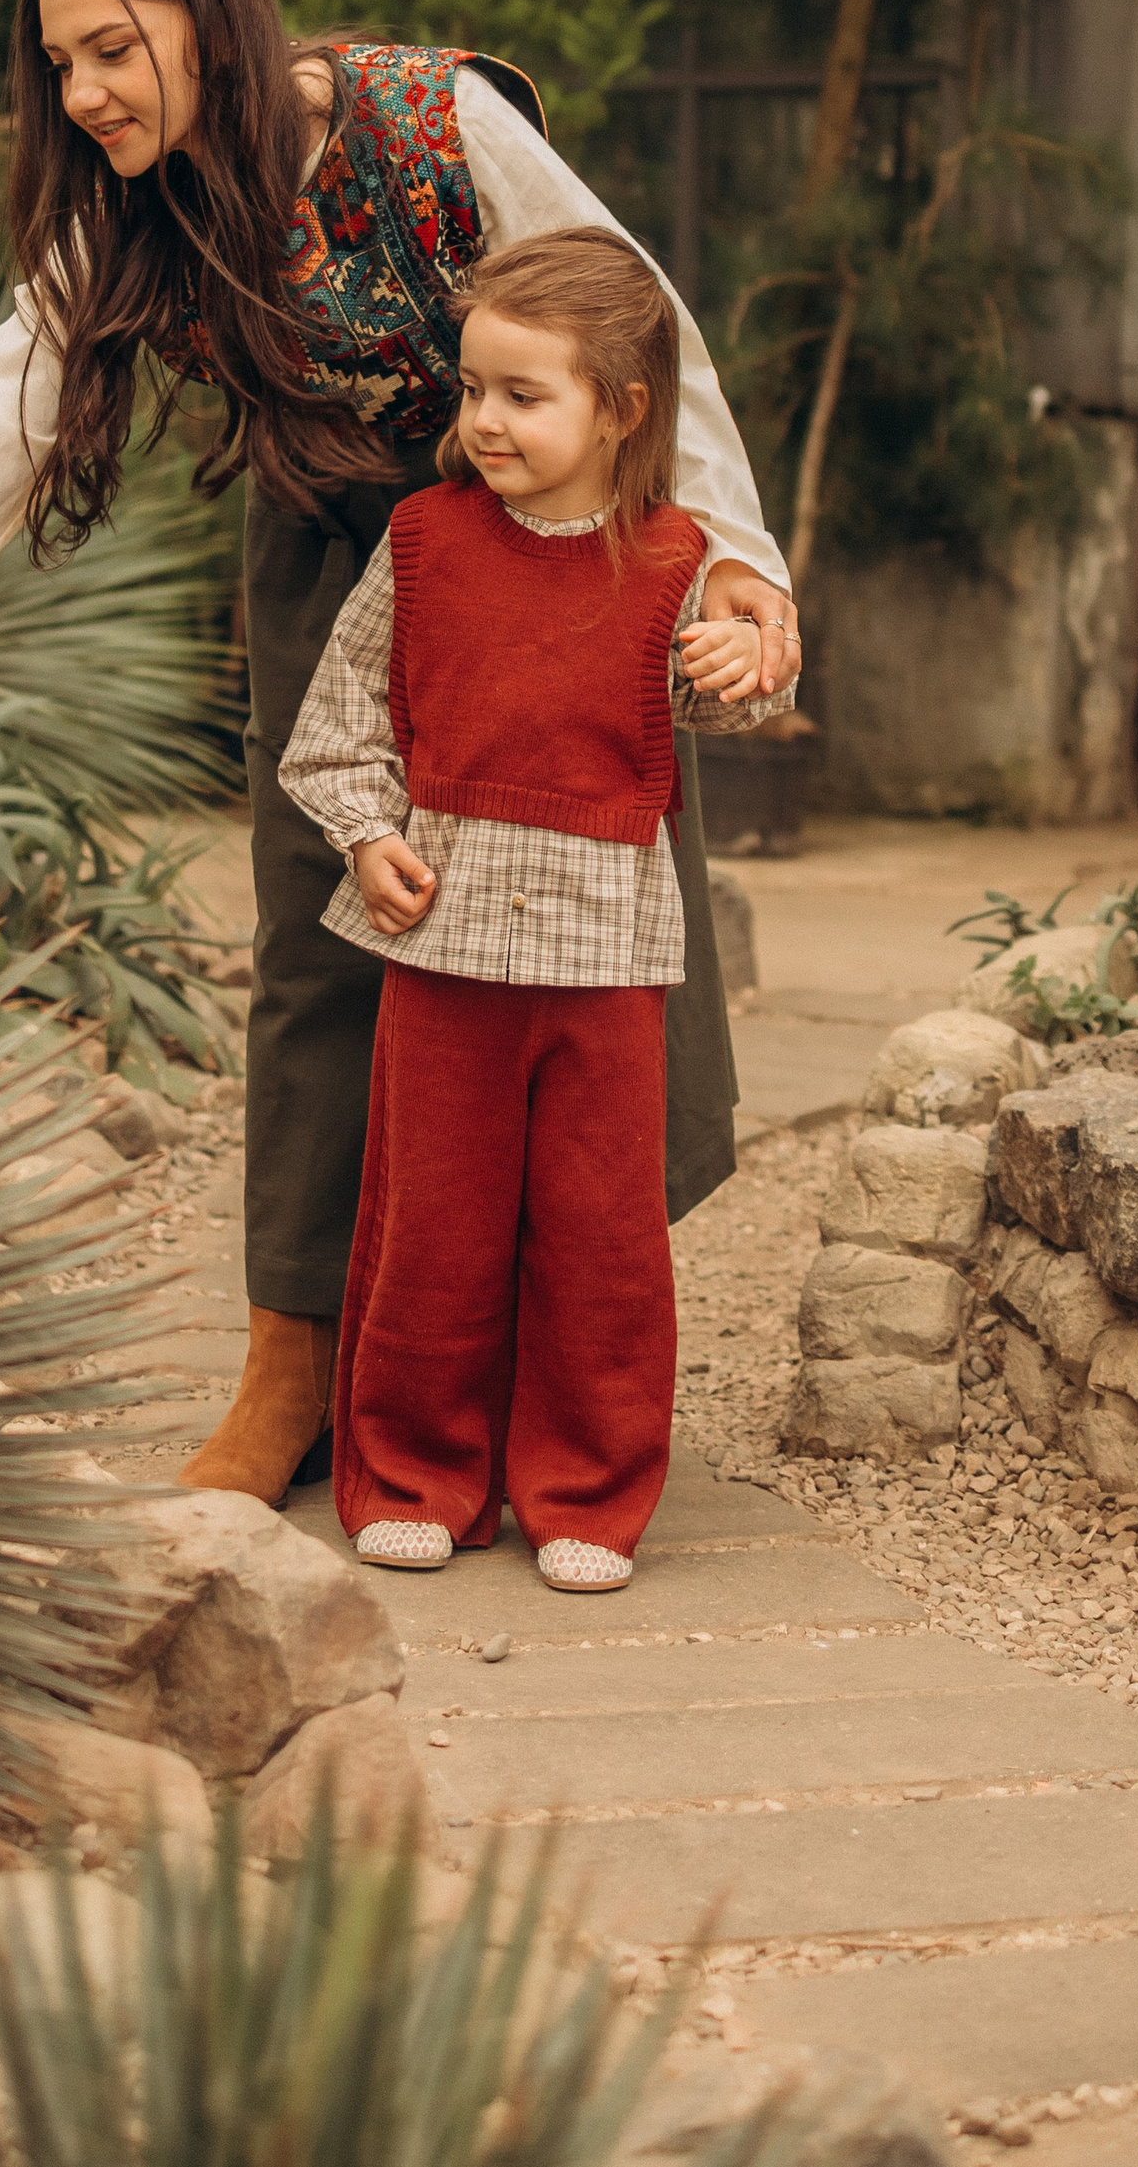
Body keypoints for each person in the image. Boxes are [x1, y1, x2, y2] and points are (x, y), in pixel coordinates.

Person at [0, 0, 800, 1507]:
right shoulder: (131, 210)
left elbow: (630, 307)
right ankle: (294, 1365)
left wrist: (733, 554)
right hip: (329, 561)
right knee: (324, 948)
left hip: (543, 539)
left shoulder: (427, 117)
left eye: (111, 48)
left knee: (589, 925)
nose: (85, 93)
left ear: (208, 15)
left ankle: (550, 1362)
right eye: (63, 66)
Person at [281, 228, 794, 1593]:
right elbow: (333, 733)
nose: (485, 420)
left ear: (622, 410)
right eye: (474, 389)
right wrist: (370, 835)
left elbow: (738, 691)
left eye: (524, 393)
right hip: (440, 949)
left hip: (605, 964)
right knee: (429, 1222)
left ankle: (584, 1485)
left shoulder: (680, 561)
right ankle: (411, 1472)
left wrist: (745, 650)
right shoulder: (424, 542)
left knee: (598, 1235)